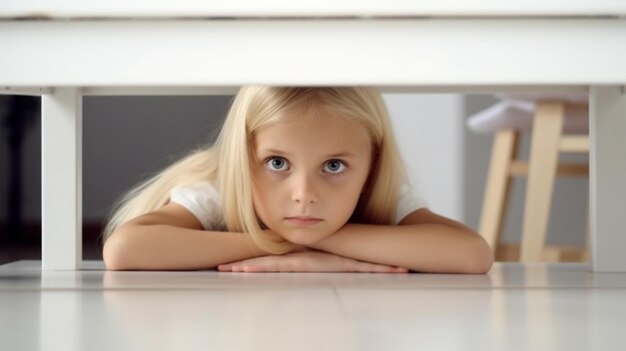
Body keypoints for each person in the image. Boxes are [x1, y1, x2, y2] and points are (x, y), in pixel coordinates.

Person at [102, 86, 493, 273]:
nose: (304, 195)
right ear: (245, 158)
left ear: (371, 165)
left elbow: (472, 254)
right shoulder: (223, 187)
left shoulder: (374, 188)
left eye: (334, 166)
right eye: (277, 163)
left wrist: (321, 243)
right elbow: (125, 250)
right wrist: (285, 246)